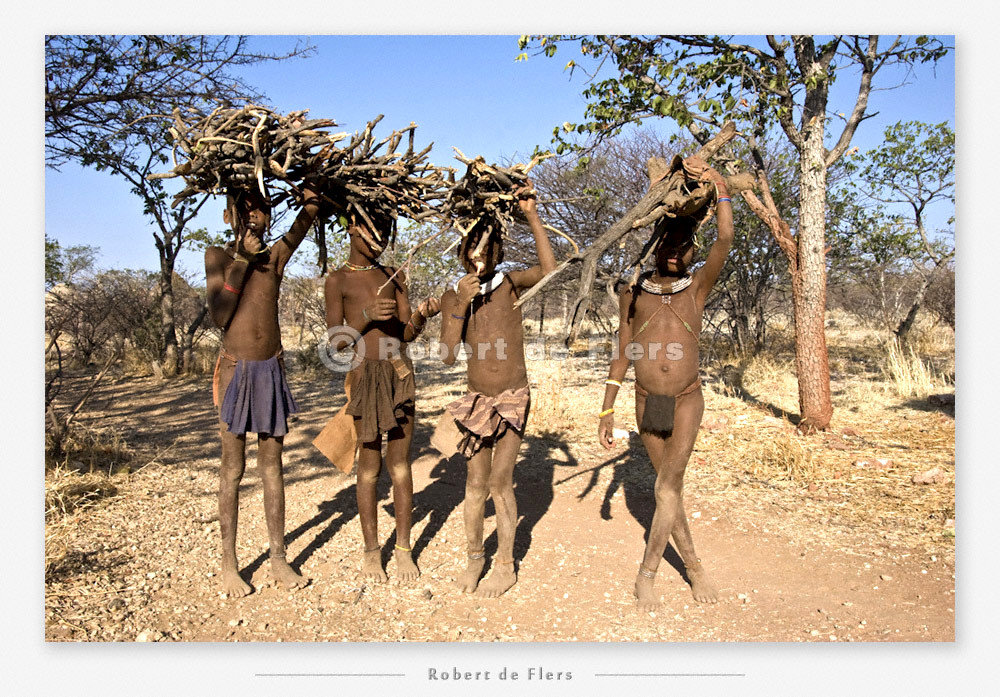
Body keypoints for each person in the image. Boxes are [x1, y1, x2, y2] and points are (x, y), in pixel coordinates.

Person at [597, 156, 732, 610]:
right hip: (646, 401)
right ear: (653, 249)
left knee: (665, 488)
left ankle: (649, 574)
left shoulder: (697, 288)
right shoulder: (631, 293)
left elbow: (726, 239)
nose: (674, 251)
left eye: (683, 245)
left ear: (692, 251)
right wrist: (606, 408)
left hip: (688, 401)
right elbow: (623, 351)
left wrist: (721, 185)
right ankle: (692, 563)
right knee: (667, 488)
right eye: (666, 244)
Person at [438, 181, 557, 597]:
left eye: (487, 250)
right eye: (472, 249)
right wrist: (458, 305)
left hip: (513, 397)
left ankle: (505, 563)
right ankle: (475, 558)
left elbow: (549, 270)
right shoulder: (454, 295)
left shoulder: (510, 284)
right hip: (476, 402)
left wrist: (531, 215)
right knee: (474, 484)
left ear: (497, 253)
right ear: (462, 253)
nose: (479, 257)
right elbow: (448, 355)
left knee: (500, 481)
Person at [205, 180, 321, 597]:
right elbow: (219, 316)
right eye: (247, 207)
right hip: (235, 372)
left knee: (272, 468)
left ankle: (278, 558)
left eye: (263, 208)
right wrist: (242, 262)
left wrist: (313, 193)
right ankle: (229, 563)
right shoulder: (218, 256)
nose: (256, 214)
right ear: (230, 214)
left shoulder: (276, 258)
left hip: (270, 372)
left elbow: (305, 219)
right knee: (233, 469)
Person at [323, 211, 440, 583]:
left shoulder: (394, 275)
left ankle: (403, 549)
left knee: (401, 465)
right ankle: (372, 551)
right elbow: (337, 342)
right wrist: (365, 316)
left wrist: (421, 315)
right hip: (364, 377)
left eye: (388, 230)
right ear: (352, 226)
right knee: (369, 468)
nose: (383, 238)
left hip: (399, 373)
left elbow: (405, 335)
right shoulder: (337, 280)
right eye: (375, 230)